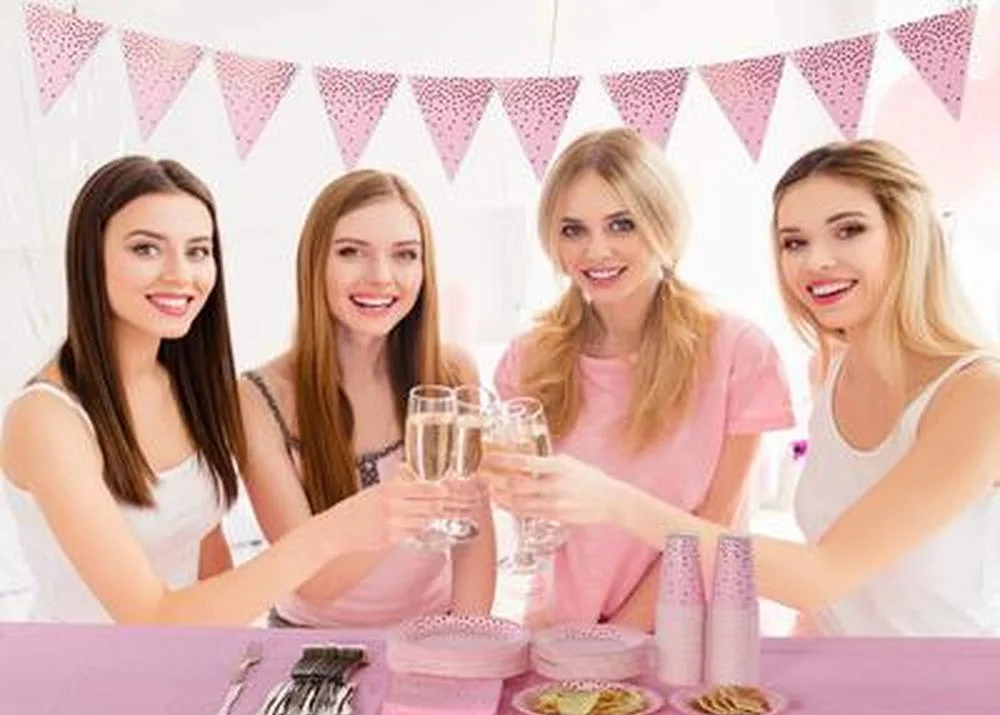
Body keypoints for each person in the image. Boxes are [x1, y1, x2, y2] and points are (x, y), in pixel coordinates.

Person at [488, 139, 1000, 637]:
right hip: (836, 667)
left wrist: (611, 502)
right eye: (794, 242)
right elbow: (836, 608)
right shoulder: (831, 369)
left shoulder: (980, 395)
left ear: (909, 233)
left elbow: (819, 577)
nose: (816, 261)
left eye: (849, 230)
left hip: (945, 678)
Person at [0, 156, 444, 625]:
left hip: (191, 660)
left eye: (197, 251)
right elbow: (151, 618)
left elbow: (210, 564)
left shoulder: (185, 388)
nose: (180, 274)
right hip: (80, 665)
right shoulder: (46, 421)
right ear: (90, 257)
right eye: (146, 249)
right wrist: (332, 533)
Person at [493, 128, 794, 629]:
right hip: (559, 637)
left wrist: (617, 636)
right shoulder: (528, 359)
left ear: (663, 223)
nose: (596, 251)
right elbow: (534, 521)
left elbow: (717, 526)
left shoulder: (738, 352)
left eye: (622, 224)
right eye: (573, 230)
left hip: (688, 640)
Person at [239, 169, 496, 627]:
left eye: (405, 255)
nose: (381, 277)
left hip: (432, 631)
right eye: (351, 252)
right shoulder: (257, 400)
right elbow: (314, 584)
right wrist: (403, 501)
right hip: (311, 643)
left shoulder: (453, 373)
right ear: (315, 263)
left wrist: (467, 642)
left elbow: (472, 538)